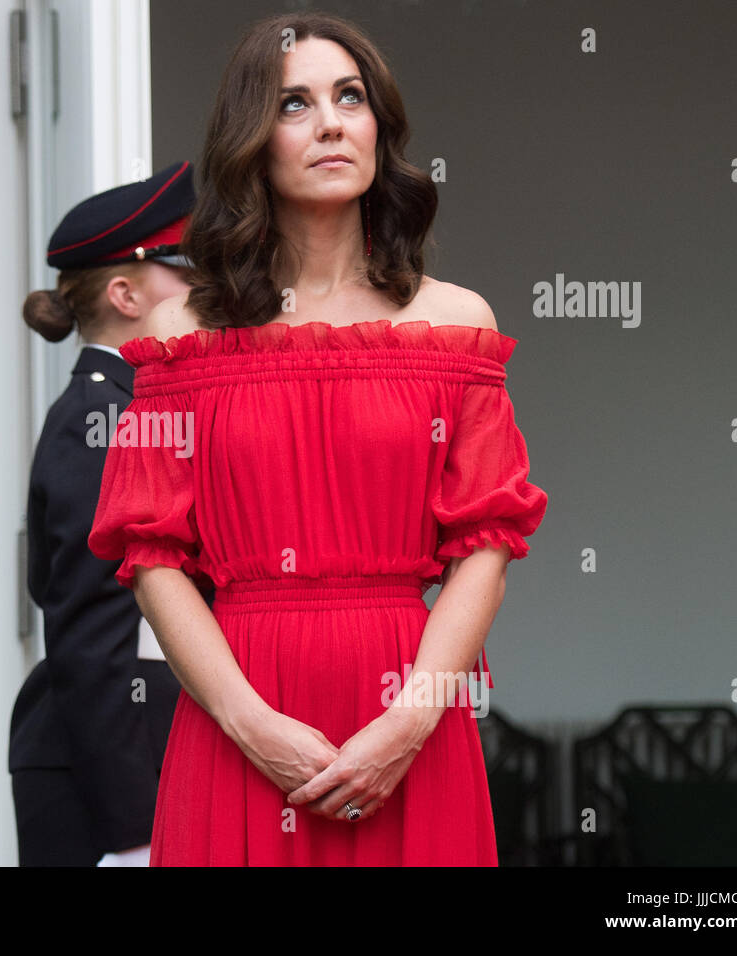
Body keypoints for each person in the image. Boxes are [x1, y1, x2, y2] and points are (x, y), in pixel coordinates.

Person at [87, 13, 549, 865]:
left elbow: (485, 546)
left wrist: (410, 723)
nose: (332, 121)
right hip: (239, 718)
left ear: (380, 127)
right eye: (295, 104)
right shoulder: (179, 334)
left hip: (410, 711)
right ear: (252, 142)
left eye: (351, 97)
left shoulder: (455, 323)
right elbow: (151, 558)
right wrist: (251, 725)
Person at [9, 161, 206, 866]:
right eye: (182, 271)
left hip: (141, 755)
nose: (200, 287)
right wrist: (133, 836)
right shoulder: (103, 418)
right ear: (125, 293)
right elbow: (94, 639)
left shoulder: (134, 409)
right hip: (110, 779)